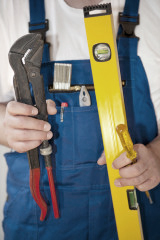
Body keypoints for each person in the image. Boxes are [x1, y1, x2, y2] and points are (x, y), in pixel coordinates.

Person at [0, 0, 160, 239]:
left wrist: (157, 154)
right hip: (38, 220)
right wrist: (5, 127)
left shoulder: (154, 8)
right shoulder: (10, 9)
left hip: (136, 216)